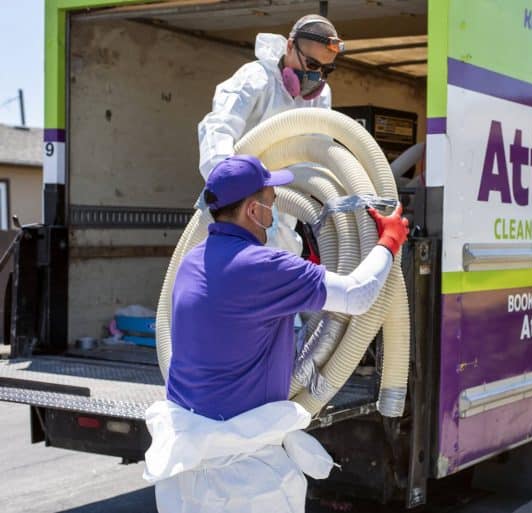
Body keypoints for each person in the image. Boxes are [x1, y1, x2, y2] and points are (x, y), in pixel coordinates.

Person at [143, 155, 409, 512]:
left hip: (187, 463)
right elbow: (358, 294)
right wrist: (389, 242)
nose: (275, 210)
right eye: (272, 201)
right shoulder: (263, 267)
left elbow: (234, 317)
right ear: (252, 210)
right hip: (242, 480)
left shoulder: (192, 262)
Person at [197, 14, 343, 181]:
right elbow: (219, 128)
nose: (316, 75)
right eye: (312, 64)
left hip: (293, 196)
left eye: (326, 69)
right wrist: (229, 180)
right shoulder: (255, 78)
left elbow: (320, 148)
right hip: (244, 186)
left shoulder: (321, 94)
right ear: (289, 47)